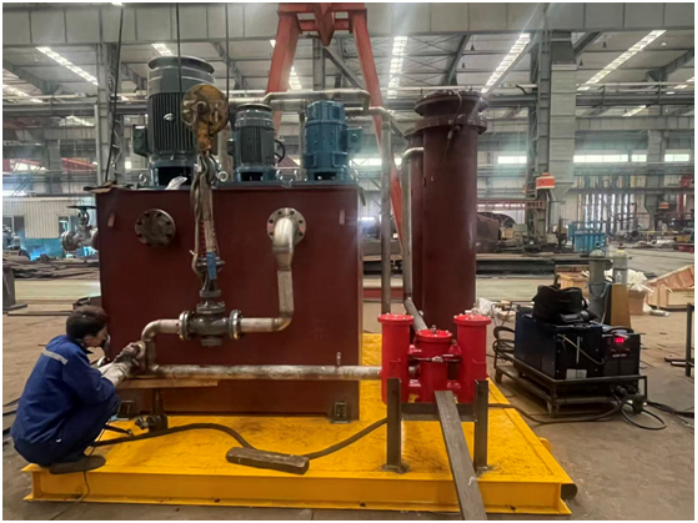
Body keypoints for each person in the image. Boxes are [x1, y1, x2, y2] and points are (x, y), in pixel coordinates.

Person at [11, 306, 141, 474]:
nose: (105, 337)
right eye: (102, 334)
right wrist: (121, 369)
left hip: (25, 440)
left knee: (90, 396)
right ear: (88, 338)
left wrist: (115, 363)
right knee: (108, 400)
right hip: (43, 445)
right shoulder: (72, 355)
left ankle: (61, 447)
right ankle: (68, 458)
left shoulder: (58, 344)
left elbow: (85, 378)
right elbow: (98, 393)